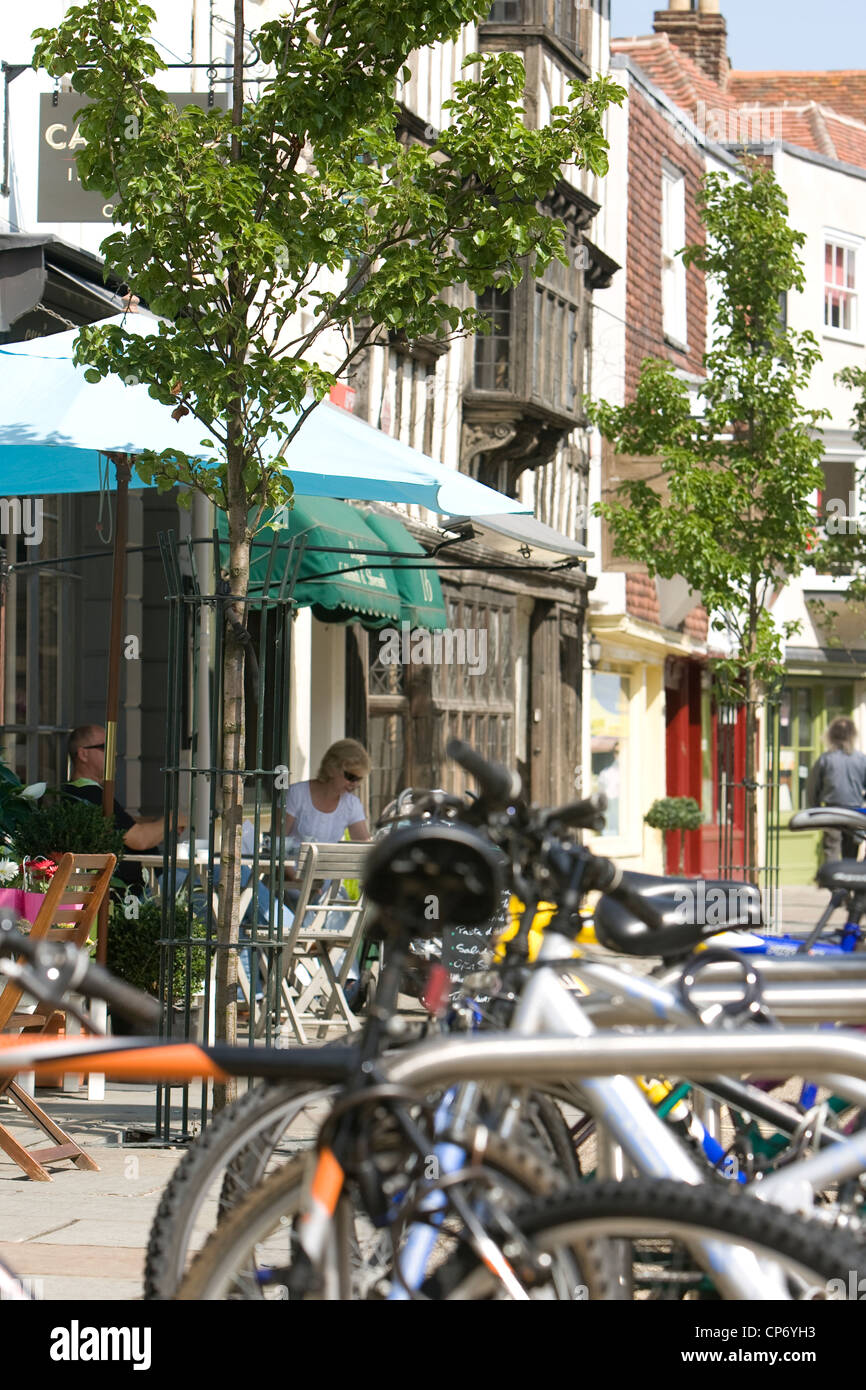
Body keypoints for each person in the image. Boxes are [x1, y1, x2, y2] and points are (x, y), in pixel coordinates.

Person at [62, 724, 185, 891]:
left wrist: (155, 823)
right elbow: (139, 839)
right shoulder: (91, 794)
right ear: (83, 754)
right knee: (208, 881)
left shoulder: (75, 792)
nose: (114, 753)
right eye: (105, 747)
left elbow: (121, 825)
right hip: (137, 890)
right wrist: (173, 819)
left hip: (137, 884)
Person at [284, 738, 372, 848]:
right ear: (332, 768)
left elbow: (364, 845)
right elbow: (277, 841)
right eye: (351, 777)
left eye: (358, 779)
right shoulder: (297, 793)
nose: (354, 784)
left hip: (329, 860)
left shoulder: (352, 804)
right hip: (293, 859)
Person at [805, 716, 866, 862]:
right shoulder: (861, 759)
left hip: (831, 810)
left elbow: (812, 787)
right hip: (855, 810)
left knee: (831, 849)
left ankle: (834, 877)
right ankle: (848, 875)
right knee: (851, 852)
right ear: (852, 735)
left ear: (831, 735)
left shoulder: (826, 759)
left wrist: (815, 808)